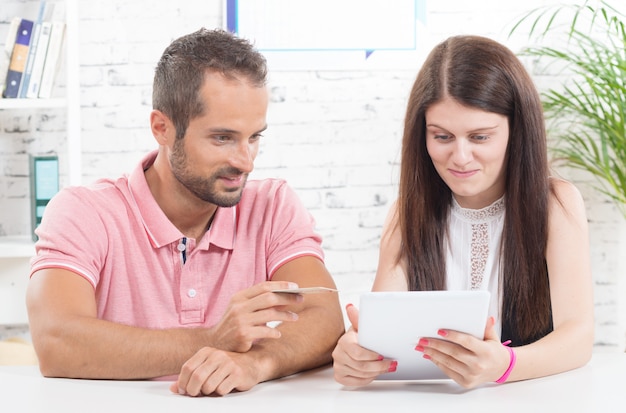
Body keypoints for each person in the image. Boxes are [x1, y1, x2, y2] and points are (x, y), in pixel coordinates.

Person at [26, 28, 344, 397]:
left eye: (254, 137)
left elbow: (325, 316)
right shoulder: (84, 211)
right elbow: (57, 340)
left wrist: (255, 363)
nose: (246, 162)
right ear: (162, 128)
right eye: (222, 138)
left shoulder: (272, 205)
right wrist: (210, 340)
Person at [332, 35, 594, 388]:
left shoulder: (556, 204)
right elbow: (380, 337)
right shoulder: (405, 215)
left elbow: (577, 337)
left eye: (480, 137)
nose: (460, 157)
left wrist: (506, 364)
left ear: (517, 132)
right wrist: (356, 354)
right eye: (442, 137)